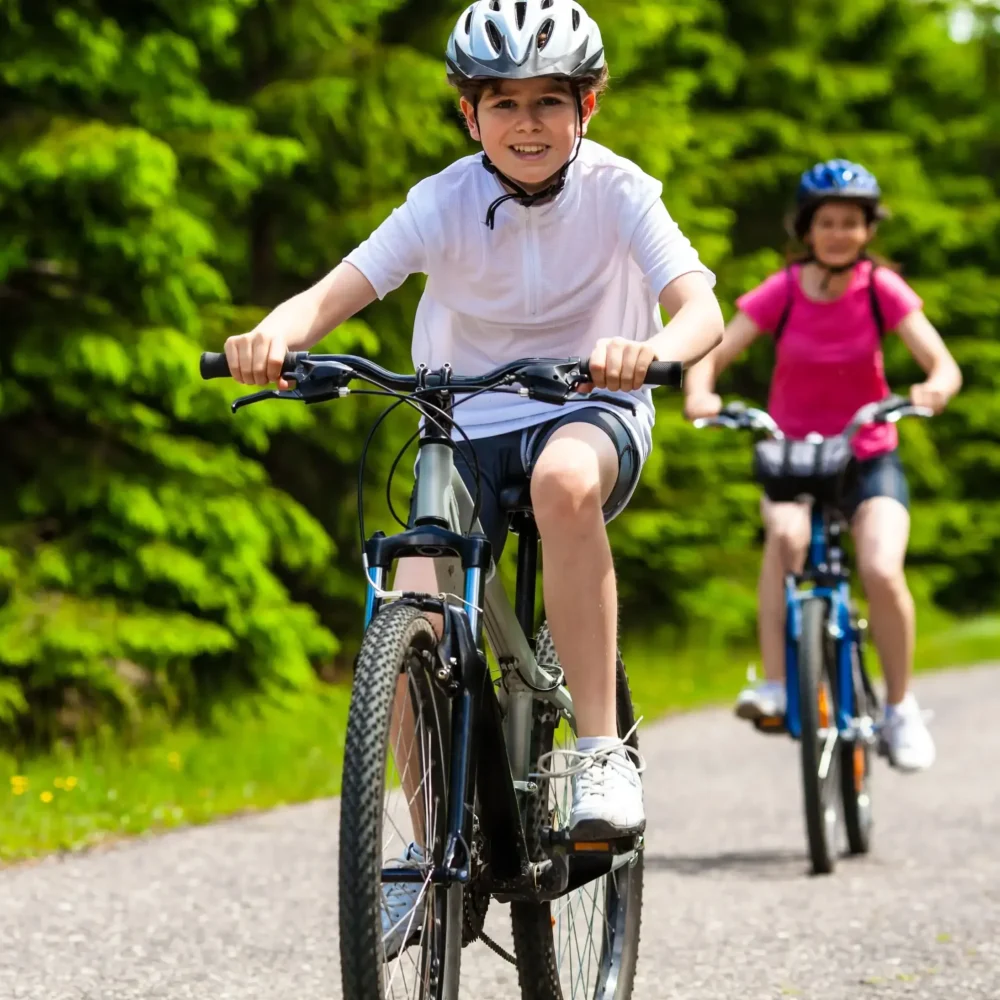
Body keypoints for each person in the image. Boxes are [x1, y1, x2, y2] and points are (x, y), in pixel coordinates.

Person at [222, 0, 723, 954]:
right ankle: (426, 852)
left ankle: (599, 752)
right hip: (460, 419)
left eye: (549, 102)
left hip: (588, 411)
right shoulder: (441, 201)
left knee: (564, 486)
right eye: (504, 104)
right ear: (469, 114)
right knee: (411, 589)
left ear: (588, 107)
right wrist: (272, 337)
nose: (527, 124)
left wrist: (652, 352)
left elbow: (702, 308)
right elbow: (334, 293)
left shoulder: (621, 192)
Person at [684, 158, 962, 774]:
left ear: (869, 229)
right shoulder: (781, 289)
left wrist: (934, 389)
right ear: (806, 229)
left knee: (881, 568)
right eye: (827, 222)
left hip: (867, 455)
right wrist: (700, 392)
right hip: (795, 456)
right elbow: (713, 349)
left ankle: (900, 707)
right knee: (785, 539)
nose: (839, 234)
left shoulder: (881, 289)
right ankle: (777, 685)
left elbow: (942, 363)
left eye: (851, 223)